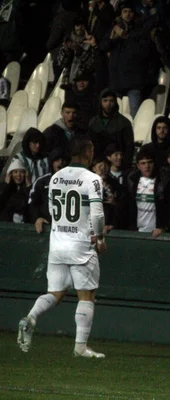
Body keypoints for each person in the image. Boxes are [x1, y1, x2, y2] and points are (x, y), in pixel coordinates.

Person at [17, 135, 107, 358]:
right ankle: (80, 347)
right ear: (87, 152)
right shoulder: (92, 179)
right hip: (80, 245)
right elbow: (97, 213)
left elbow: (50, 209)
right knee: (87, 295)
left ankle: (31, 317)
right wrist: (101, 238)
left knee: (55, 293)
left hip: (57, 244)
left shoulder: (56, 177)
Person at [28, 149, 68, 233]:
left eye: (63, 160)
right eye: (57, 160)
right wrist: (37, 218)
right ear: (51, 163)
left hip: (68, 229)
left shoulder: (75, 182)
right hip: (46, 228)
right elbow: (32, 203)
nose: (61, 162)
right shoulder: (41, 181)